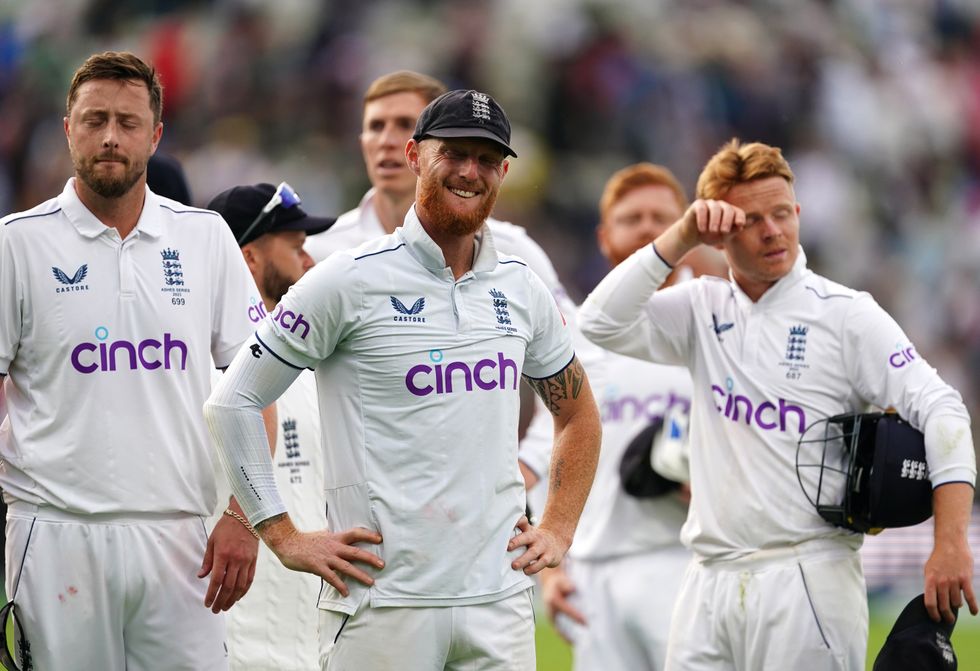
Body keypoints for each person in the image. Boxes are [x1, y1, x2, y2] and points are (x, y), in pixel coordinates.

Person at [205, 89, 601, 670]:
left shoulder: (521, 287)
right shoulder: (345, 279)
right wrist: (282, 533)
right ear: (415, 156)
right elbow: (233, 402)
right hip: (382, 605)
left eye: (487, 159)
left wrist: (559, 527)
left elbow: (578, 414)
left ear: (504, 172)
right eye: (454, 153)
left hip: (499, 601)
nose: (470, 172)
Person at [578, 138, 977, 670]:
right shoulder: (701, 308)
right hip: (707, 579)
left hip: (808, 575)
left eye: (782, 213)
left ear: (798, 213)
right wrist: (680, 237)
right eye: (751, 220)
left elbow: (944, 409)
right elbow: (598, 323)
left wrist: (949, 542)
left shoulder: (846, 315)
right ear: (719, 233)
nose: (772, 231)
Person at [0, 51, 267, 670]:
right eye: (94, 121)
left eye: (127, 121)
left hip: (182, 535)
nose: (111, 137)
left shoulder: (204, 237)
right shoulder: (16, 242)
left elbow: (259, 385)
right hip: (55, 531)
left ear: (156, 135)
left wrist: (244, 514)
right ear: (68, 129)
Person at [303, 70, 576, 482]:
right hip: (347, 507)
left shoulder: (513, 252)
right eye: (375, 126)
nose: (387, 139)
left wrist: (531, 466)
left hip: (477, 508)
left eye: (403, 124)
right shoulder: (320, 253)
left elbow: (580, 367)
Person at [539, 163, 725, 670]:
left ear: (687, 229)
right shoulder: (574, 337)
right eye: (632, 217)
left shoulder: (720, 324)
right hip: (593, 574)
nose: (647, 228)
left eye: (660, 217)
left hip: (688, 560)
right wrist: (551, 573)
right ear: (604, 236)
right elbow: (545, 449)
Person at [206, 182, 335, 670]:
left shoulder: (306, 357)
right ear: (249, 260)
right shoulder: (211, 364)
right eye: (297, 248)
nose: (310, 264)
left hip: (309, 632)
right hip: (239, 630)